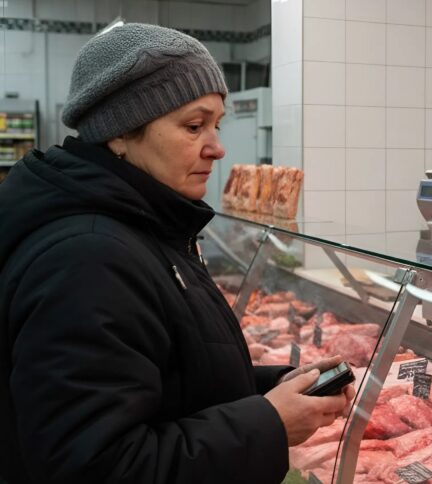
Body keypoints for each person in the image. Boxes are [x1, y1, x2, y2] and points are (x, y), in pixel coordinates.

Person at [0, 24, 352, 483]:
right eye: (194, 126)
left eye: (217, 124)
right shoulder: (87, 259)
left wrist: (269, 390)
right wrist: (269, 423)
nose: (218, 147)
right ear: (120, 134)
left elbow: (162, 380)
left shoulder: (143, 224)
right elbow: (96, 467)